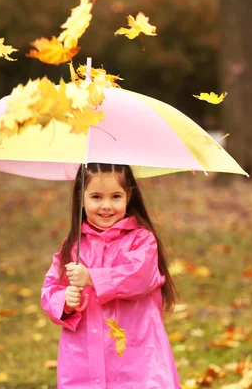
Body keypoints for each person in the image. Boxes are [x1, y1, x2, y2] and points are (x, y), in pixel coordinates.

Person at [41, 163, 181, 388]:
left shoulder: (141, 240)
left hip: (136, 355)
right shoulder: (73, 246)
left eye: (116, 196)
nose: (106, 206)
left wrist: (92, 278)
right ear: (81, 196)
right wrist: (64, 302)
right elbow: (51, 289)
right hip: (82, 357)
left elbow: (140, 276)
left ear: (129, 195)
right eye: (96, 196)